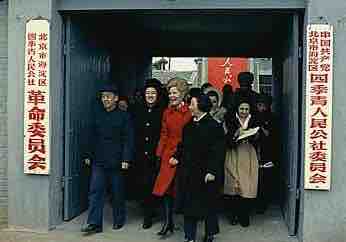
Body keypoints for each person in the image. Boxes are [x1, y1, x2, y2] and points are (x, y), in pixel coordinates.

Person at [81, 83, 134, 234]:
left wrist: (126, 159)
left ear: (116, 98)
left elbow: (128, 139)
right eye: (103, 97)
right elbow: (91, 137)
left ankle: (119, 219)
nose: (106, 99)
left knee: (117, 192)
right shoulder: (97, 115)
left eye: (109, 97)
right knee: (95, 191)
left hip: (117, 161)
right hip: (99, 160)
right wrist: (88, 155)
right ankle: (94, 223)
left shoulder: (124, 116)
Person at [174, 92, 225, 242]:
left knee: (209, 206)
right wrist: (176, 156)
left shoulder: (214, 126)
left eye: (192, 104)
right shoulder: (188, 126)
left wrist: (212, 171)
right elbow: (182, 146)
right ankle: (189, 236)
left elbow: (218, 152)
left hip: (207, 173)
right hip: (189, 173)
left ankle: (209, 234)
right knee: (189, 206)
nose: (189, 107)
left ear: (201, 106)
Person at [152, 77, 192, 238]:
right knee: (165, 190)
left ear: (182, 94)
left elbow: (189, 138)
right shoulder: (166, 112)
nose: (171, 96)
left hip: (184, 155)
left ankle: (189, 226)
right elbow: (163, 134)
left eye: (175, 92)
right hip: (168, 154)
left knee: (183, 190)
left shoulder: (189, 112)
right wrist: (158, 154)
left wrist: (180, 154)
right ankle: (168, 222)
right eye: (170, 93)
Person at [130, 78, 166, 229]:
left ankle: (152, 214)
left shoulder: (163, 110)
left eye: (153, 93)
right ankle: (147, 212)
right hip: (140, 155)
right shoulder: (137, 109)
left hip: (156, 155)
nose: (150, 95)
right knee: (143, 184)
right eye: (148, 93)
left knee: (154, 185)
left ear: (158, 95)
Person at [223, 98, 259, 227]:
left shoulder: (254, 120)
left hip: (248, 154)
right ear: (237, 109)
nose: (244, 111)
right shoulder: (230, 120)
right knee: (234, 184)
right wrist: (235, 135)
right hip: (234, 153)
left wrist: (254, 135)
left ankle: (244, 215)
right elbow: (226, 140)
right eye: (242, 109)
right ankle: (233, 215)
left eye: (246, 109)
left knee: (247, 185)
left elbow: (259, 140)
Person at [255, 94, 278, 213]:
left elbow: (272, 136)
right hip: (254, 152)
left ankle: (262, 204)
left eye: (263, 105)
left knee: (265, 180)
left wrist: (261, 128)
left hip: (268, 153)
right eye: (259, 105)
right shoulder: (253, 117)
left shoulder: (272, 118)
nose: (261, 108)